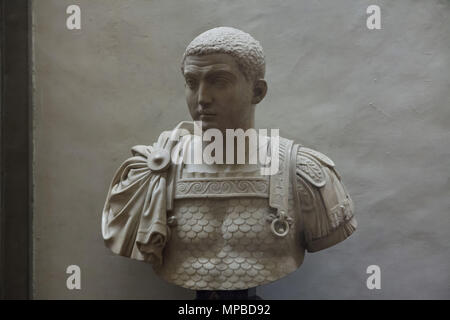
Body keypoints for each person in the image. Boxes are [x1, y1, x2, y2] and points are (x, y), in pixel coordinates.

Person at [102, 27, 356, 296]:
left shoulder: (302, 173)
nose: (202, 98)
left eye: (218, 82)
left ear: (257, 92)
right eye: (191, 82)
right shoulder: (154, 171)